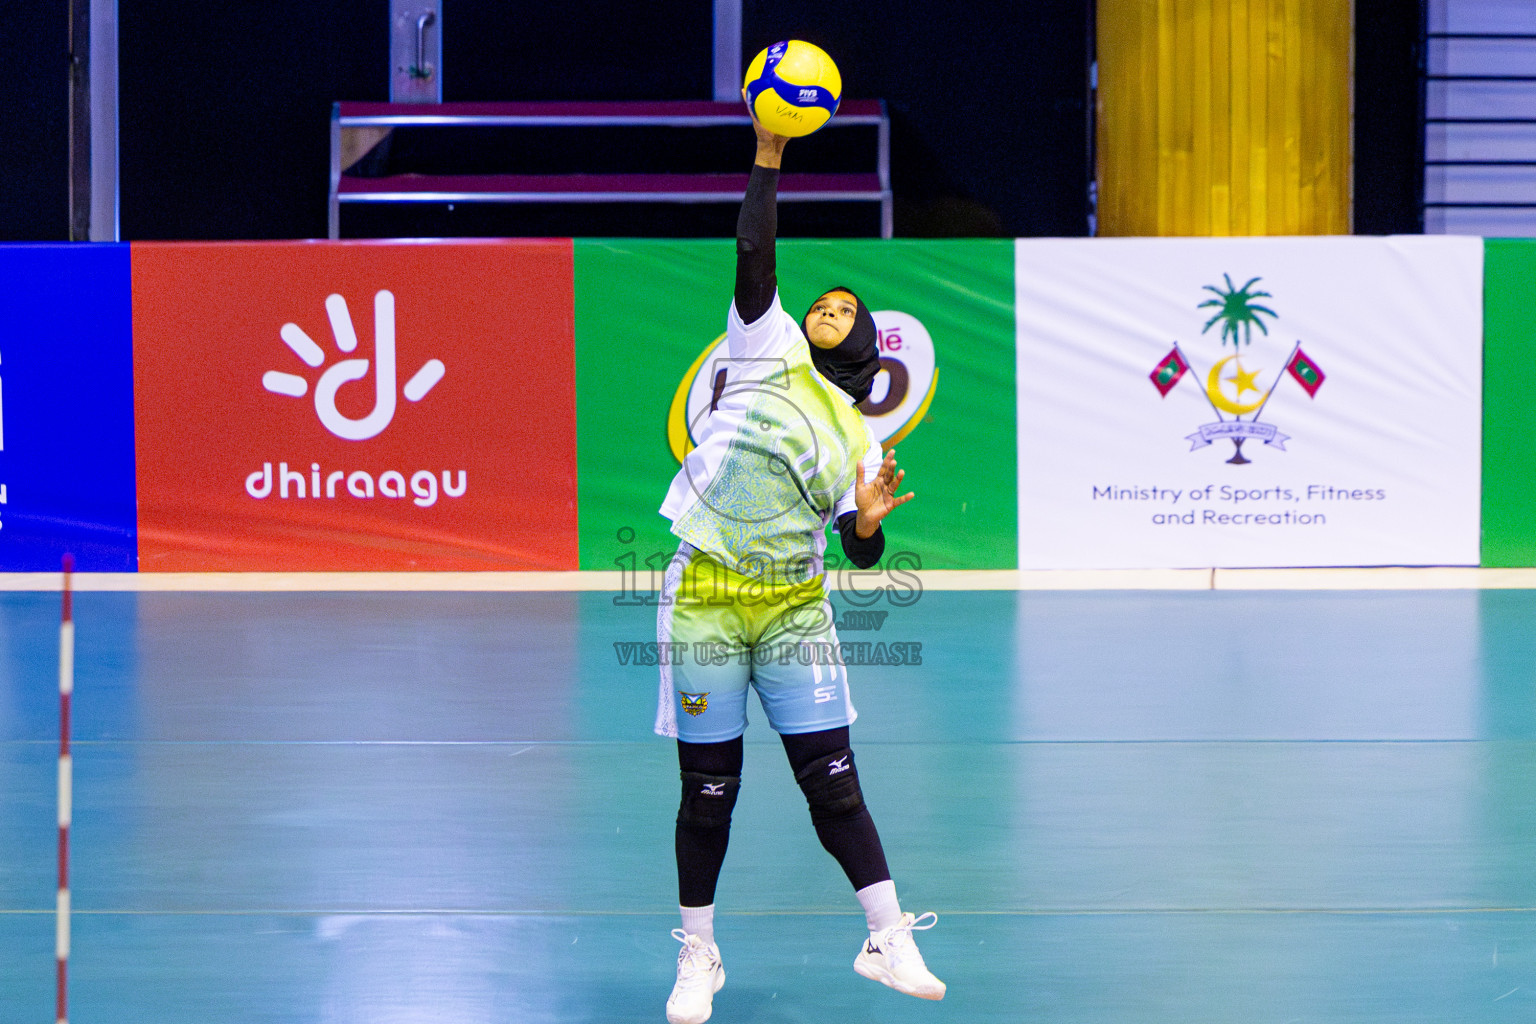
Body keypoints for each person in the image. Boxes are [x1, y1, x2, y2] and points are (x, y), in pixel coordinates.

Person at [653, 113, 944, 1024]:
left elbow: (864, 547)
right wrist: (768, 155)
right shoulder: (765, 343)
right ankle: (699, 955)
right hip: (704, 592)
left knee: (833, 779)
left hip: (791, 610)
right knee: (709, 794)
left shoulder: (863, 437)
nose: (830, 302)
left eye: (847, 308)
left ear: (866, 350)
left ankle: (886, 936)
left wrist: (865, 523)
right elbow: (755, 246)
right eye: (825, 299)